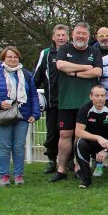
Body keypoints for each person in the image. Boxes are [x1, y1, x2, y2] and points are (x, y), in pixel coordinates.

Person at [50, 22, 103, 183]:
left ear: (89, 36)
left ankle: (79, 167)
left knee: (80, 136)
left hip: (86, 103)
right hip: (66, 101)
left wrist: (73, 73)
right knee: (65, 134)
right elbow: (60, 65)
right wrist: (85, 67)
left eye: (84, 33)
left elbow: (97, 72)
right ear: (72, 34)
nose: (81, 36)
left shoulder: (94, 51)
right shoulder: (64, 49)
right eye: (78, 33)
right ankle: (61, 169)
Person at [0, 46, 40, 186]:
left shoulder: (26, 74)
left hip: (22, 114)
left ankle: (19, 175)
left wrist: (35, 113)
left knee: (19, 146)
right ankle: (4, 176)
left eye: (15, 57)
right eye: (9, 57)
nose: (13, 59)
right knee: (4, 146)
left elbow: (33, 95)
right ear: (3, 58)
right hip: (2, 115)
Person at [73, 85, 108, 188]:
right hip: (92, 142)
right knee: (79, 144)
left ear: (105, 97)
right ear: (91, 96)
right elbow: (79, 132)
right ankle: (86, 179)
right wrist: (98, 137)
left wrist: (107, 149)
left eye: (102, 95)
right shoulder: (85, 109)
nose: (100, 98)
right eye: (97, 95)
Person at [34, 24, 69, 174]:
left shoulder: (72, 51)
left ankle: (69, 162)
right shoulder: (46, 53)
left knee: (68, 133)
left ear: (68, 37)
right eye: (58, 35)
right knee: (52, 133)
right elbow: (37, 76)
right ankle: (51, 161)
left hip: (69, 101)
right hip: (52, 101)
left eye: (63, 35)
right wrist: (32, 94)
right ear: (53, 37)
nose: (61, 38)